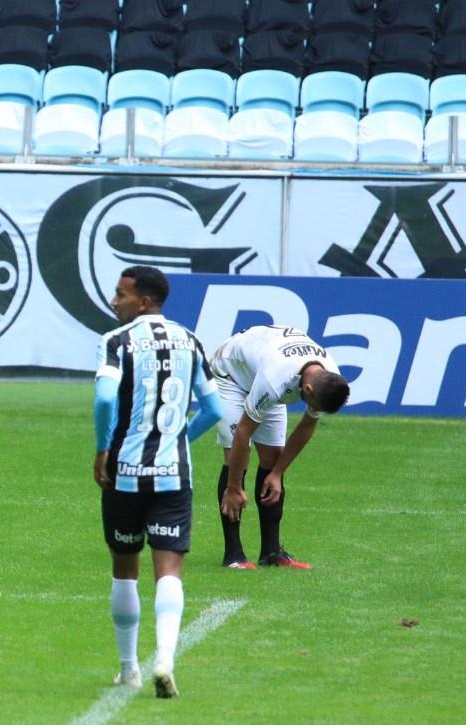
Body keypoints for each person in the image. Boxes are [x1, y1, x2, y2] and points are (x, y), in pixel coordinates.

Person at [94, 266, 222, 698]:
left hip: (125, 472)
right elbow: (214, 409)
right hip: (174, 472)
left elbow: (106, 397)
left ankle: (130, 667)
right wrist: (179, 437)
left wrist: (101, 449)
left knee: (125, 567)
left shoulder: (117, 342)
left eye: (121, 295)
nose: (115, 302)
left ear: (143, 301)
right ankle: (165, 658)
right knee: (168, 570)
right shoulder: (191, 339)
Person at [212, 325, 351, 570]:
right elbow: (243, 433)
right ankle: (234, 555)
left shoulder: (329, 377)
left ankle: (271, 553)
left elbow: (308, 425)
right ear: (307, 390)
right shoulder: (275, 379)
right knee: (237, 459)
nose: (313, 410)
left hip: (264, 374)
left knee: (273, 459)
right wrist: (234, 488)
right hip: (232, 376)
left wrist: (277, 474)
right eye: (312, 404)